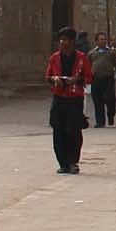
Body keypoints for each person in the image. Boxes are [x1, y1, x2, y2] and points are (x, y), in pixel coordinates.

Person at [45, 26, 89, 174]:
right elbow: (47, 77)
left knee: (73, 130)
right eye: (61, 39)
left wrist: (76, 80)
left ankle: (73, 161)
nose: (62, 42)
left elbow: (88, 77)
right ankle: (63, 163)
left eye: (65, 39)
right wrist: (55, 79)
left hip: (75, 99)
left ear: (72, 41)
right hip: (59, 98)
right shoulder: (54, 58)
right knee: (58, 130)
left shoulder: (82, 58)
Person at [88, 33, 116, 128]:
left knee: (110, 99)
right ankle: (100, 121)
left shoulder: (111, 53)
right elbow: (88, 66)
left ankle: (111, 115)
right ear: (96, 41)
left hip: (108, 79)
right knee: (97, 100)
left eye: (104, 39)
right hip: (96, 79)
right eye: (101, 39)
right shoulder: (92, 53)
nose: (103, 41)